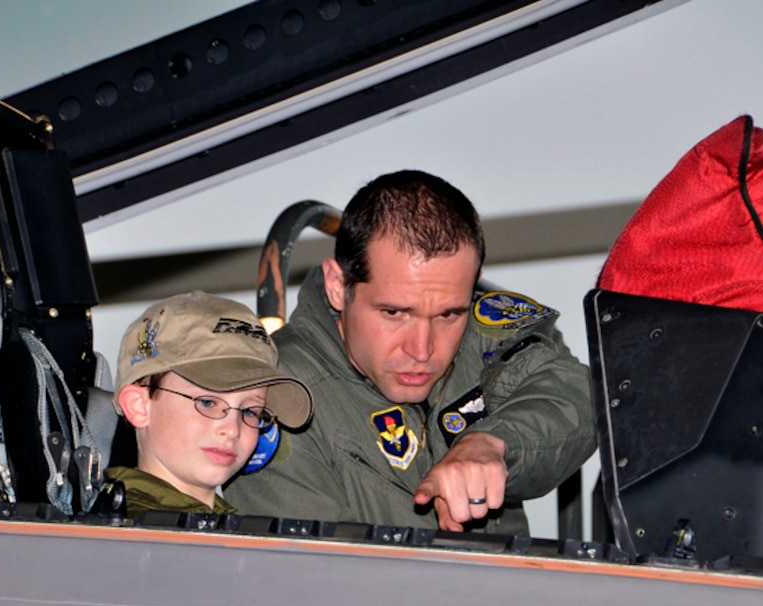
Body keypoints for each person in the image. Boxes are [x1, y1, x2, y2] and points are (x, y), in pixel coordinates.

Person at [225, 170, 596, 536]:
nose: (422, 350)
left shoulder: (482, 336)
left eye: (449, 314)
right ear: (339, 286)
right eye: (394, 313)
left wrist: (493, 443)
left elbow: (577, 393)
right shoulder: (278, 393)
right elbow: (305, 581)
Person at [105, 291, 313, 519]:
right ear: (139, 406)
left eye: (250, 411)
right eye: (207, 402)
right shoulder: (125, 539)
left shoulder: (224, 529)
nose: (232, 430)